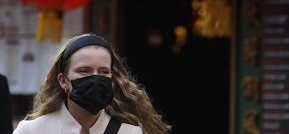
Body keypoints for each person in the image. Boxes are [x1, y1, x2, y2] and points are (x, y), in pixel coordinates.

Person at [13, 33, 171, 134]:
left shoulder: (130, 132)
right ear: (63, 81)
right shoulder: (32, 131)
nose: (95, 79)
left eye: (103, 72)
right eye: (84, 71)